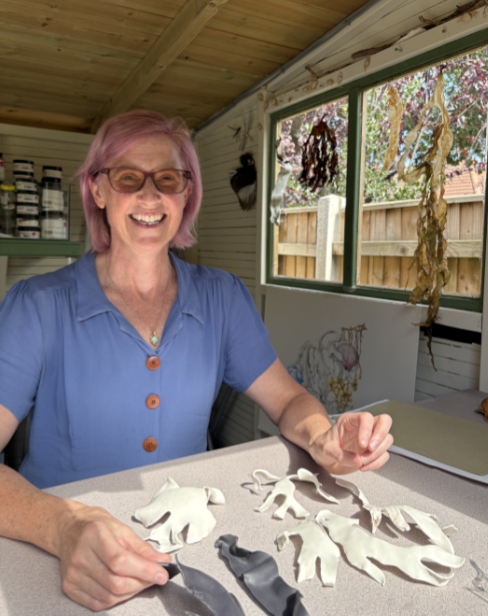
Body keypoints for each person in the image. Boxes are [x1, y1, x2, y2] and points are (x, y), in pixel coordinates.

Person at [0, 110, 393, 611]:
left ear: (186, 193)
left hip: (181, 546)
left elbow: (289, 398)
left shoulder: (221, 298)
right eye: (127, 177)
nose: (149, 196)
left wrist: (324, 438)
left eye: (167, 178)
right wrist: (59, 525)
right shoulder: (37, 305)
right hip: (52, 557)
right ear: (98, 191)